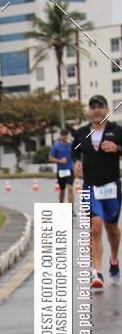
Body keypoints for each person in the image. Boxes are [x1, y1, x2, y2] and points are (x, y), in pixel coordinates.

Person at [72, 94, 122, 288]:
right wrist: (76, 161)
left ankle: (114, 260)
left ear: (107, 109)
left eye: (100, 106)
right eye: (93, 107)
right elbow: (74, 150)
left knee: (111, 228)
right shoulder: (81, 132)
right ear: (88, 111)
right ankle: (97, 273)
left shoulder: (116, 131)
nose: (96, 110)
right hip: (90, 187)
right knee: (95, 227)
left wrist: (117, 147)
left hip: (111, 187)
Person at [50, 129, 75, 208]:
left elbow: (76, 155)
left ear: (67, 136)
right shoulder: (56, 146)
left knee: (70, 188)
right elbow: (50, 158)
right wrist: (60, 160)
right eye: (63, 135)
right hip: (61, 170)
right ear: (60, 136)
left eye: (66, 135)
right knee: (62, 190)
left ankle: (71, 209)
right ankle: (61, 206)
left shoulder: (70, 145)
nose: (64, 137)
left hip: (69, 170)